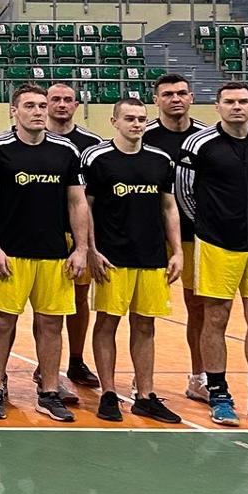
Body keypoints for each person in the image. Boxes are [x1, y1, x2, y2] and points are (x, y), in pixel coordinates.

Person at [177, 82, 248, 428]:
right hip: (216, 244)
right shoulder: (198, 145)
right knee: (215, 318)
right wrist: (209, 226)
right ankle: (218, 394)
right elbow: (185, 193)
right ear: (217, 107)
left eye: (243, 101)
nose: (236, 107)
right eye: (229, 101)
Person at [0, 85, 92, 423]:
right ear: (14, 111)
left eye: (42, 105)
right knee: (2, 322)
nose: (38, 111)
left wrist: (81, 248)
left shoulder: (65, 150)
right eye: (29, 106)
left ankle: (49, 391)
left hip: (55, 254)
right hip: (11, 253)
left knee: (50, 324)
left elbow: (77, 202)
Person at [84, 98, 184, 424]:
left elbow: (168, 207)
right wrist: (91, 249)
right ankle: (109, 393)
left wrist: (177, 251)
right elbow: (85, 208)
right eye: (129, 118)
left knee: (145, 325)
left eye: (141, 118)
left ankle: (145, 395)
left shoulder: (160, 160)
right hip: (112, 258)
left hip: (152, 257)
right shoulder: (97, 158)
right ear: (114, 122)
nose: (137, 124)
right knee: (107, 323)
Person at [142, 73, 210, 403]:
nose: (175, 99)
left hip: (196, 236)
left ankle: (199, 378)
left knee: (198, 308)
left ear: (192, 98)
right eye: (168, 94)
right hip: (150, 237)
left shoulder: (206, 138)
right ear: (156, 100)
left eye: (182, 93)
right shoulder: (143, 135)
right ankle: (141, 380)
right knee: (143, 312)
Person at [46, 82, 104, 401]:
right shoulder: (32, 137)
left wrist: (89, 245)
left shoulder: (91, 145)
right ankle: (45, 367)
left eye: (68, 99)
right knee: (42, 308)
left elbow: (92, 198)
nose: (62, 104)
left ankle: (76, 360)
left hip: (78, 234)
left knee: (79, 299)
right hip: (41, 233)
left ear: (76, 105)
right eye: (55, 99)